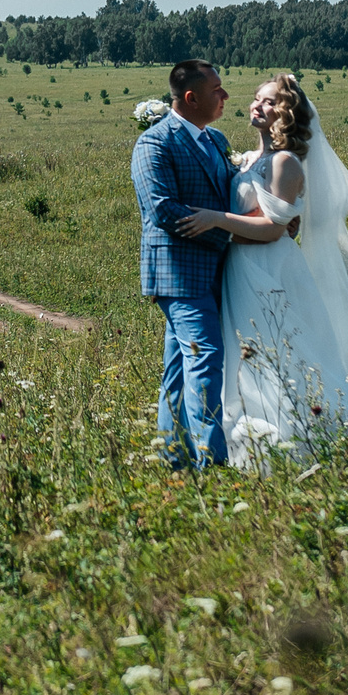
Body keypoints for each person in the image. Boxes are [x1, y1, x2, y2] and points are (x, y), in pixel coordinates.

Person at [171, 74, 348, 465]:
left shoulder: (286, 162)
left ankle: (303, 439)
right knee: (245, 356)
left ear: (285, 113)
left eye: (268, 102)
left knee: (281, 353)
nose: (257, 106)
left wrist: (216, 219)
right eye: (256, 99)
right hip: (240, 268)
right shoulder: (250, 159)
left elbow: (271, 230)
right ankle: (252, 442)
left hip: (269, 271)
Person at [131, 59, 268, 468]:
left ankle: (173, 458)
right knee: (205, 359)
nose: (226, 96)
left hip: (218, 271)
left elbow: (227, 193)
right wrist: (233, 233)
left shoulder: (216, 138)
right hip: (177, 273)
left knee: (178, 368)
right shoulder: (155, 144)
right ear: (191, 98)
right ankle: (213, 464)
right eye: (217, 90)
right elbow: (163, 211)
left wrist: (269, 217)